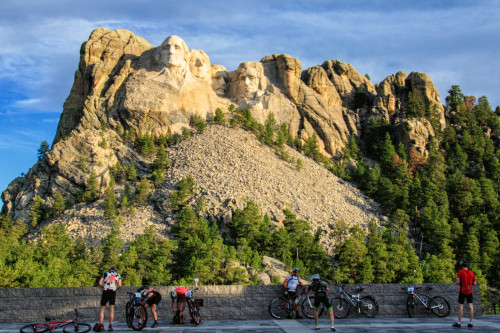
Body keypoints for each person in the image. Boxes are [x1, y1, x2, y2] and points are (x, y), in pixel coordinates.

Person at [453, 259, 476, 328]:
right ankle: (470, 322)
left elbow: (457, 282)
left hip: (462, 290)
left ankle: (459, 322)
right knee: (471, 306)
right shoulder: (472, 273)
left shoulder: (460, 272)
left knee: (461, 307)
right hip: (469, 291)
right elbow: (474, 283)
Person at [98, 266, 122, 332]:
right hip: (112, 291)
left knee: (102, 309)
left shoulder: (105, 273)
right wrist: (115, 289)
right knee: (111, 309)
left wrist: (103, 287)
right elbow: (119, 285)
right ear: (115, 270)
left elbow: (100, 283)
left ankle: (101, 324)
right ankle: (110, 325)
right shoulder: (117, 275)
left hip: (105, 291)